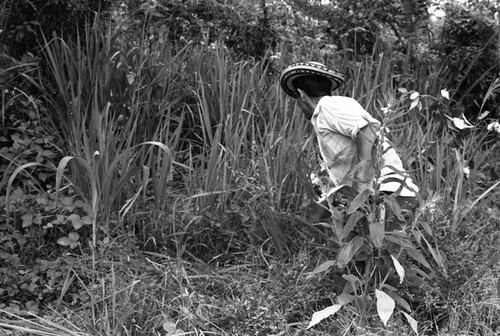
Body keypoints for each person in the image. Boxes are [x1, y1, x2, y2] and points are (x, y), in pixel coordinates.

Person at [280, 62, 419, 226]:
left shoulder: (327, 106)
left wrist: (363, 176)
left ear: (302, 95)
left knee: (383, 250)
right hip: (386, 198)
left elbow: (369, 128)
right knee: (360, 246)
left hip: (388, 196)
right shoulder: (328, 115)